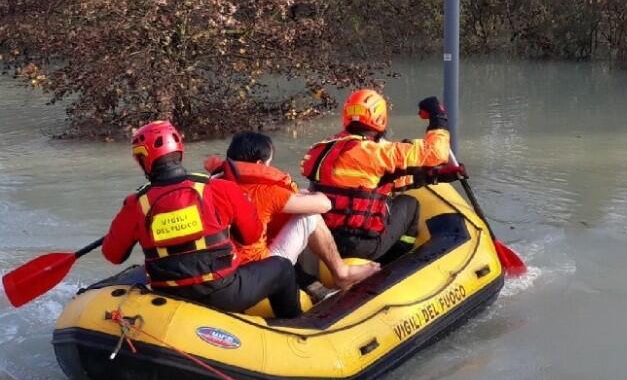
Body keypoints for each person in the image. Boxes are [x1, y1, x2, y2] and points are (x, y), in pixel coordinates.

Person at [102, 121, 303, 318]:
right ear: (180, 151)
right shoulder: (220, 188)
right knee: (282, 267)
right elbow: (251, 236)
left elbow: (113, 255)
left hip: (168, 296)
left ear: (142, 161)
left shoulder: (136, 204)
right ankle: (295, 331)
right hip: (224, 292)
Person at [205, 132, 379, 289]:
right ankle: (342, 273)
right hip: (260, 268)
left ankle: (307, 280)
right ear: (259, 164)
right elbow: (325, 204)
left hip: (228, 265)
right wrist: (310, 194)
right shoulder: (266, 192)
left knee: (296, 203)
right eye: (269, 163)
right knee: (310, 217)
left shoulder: (214, 182)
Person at [300, 89, 451, 264]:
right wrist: (438, 116)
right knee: (410, 204)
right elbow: (436, 153)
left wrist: (435, 177)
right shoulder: (376, 153)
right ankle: (394, 262)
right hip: (362, 245)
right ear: (380, 119)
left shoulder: (323, 148)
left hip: (324, 239)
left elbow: (372, 183)